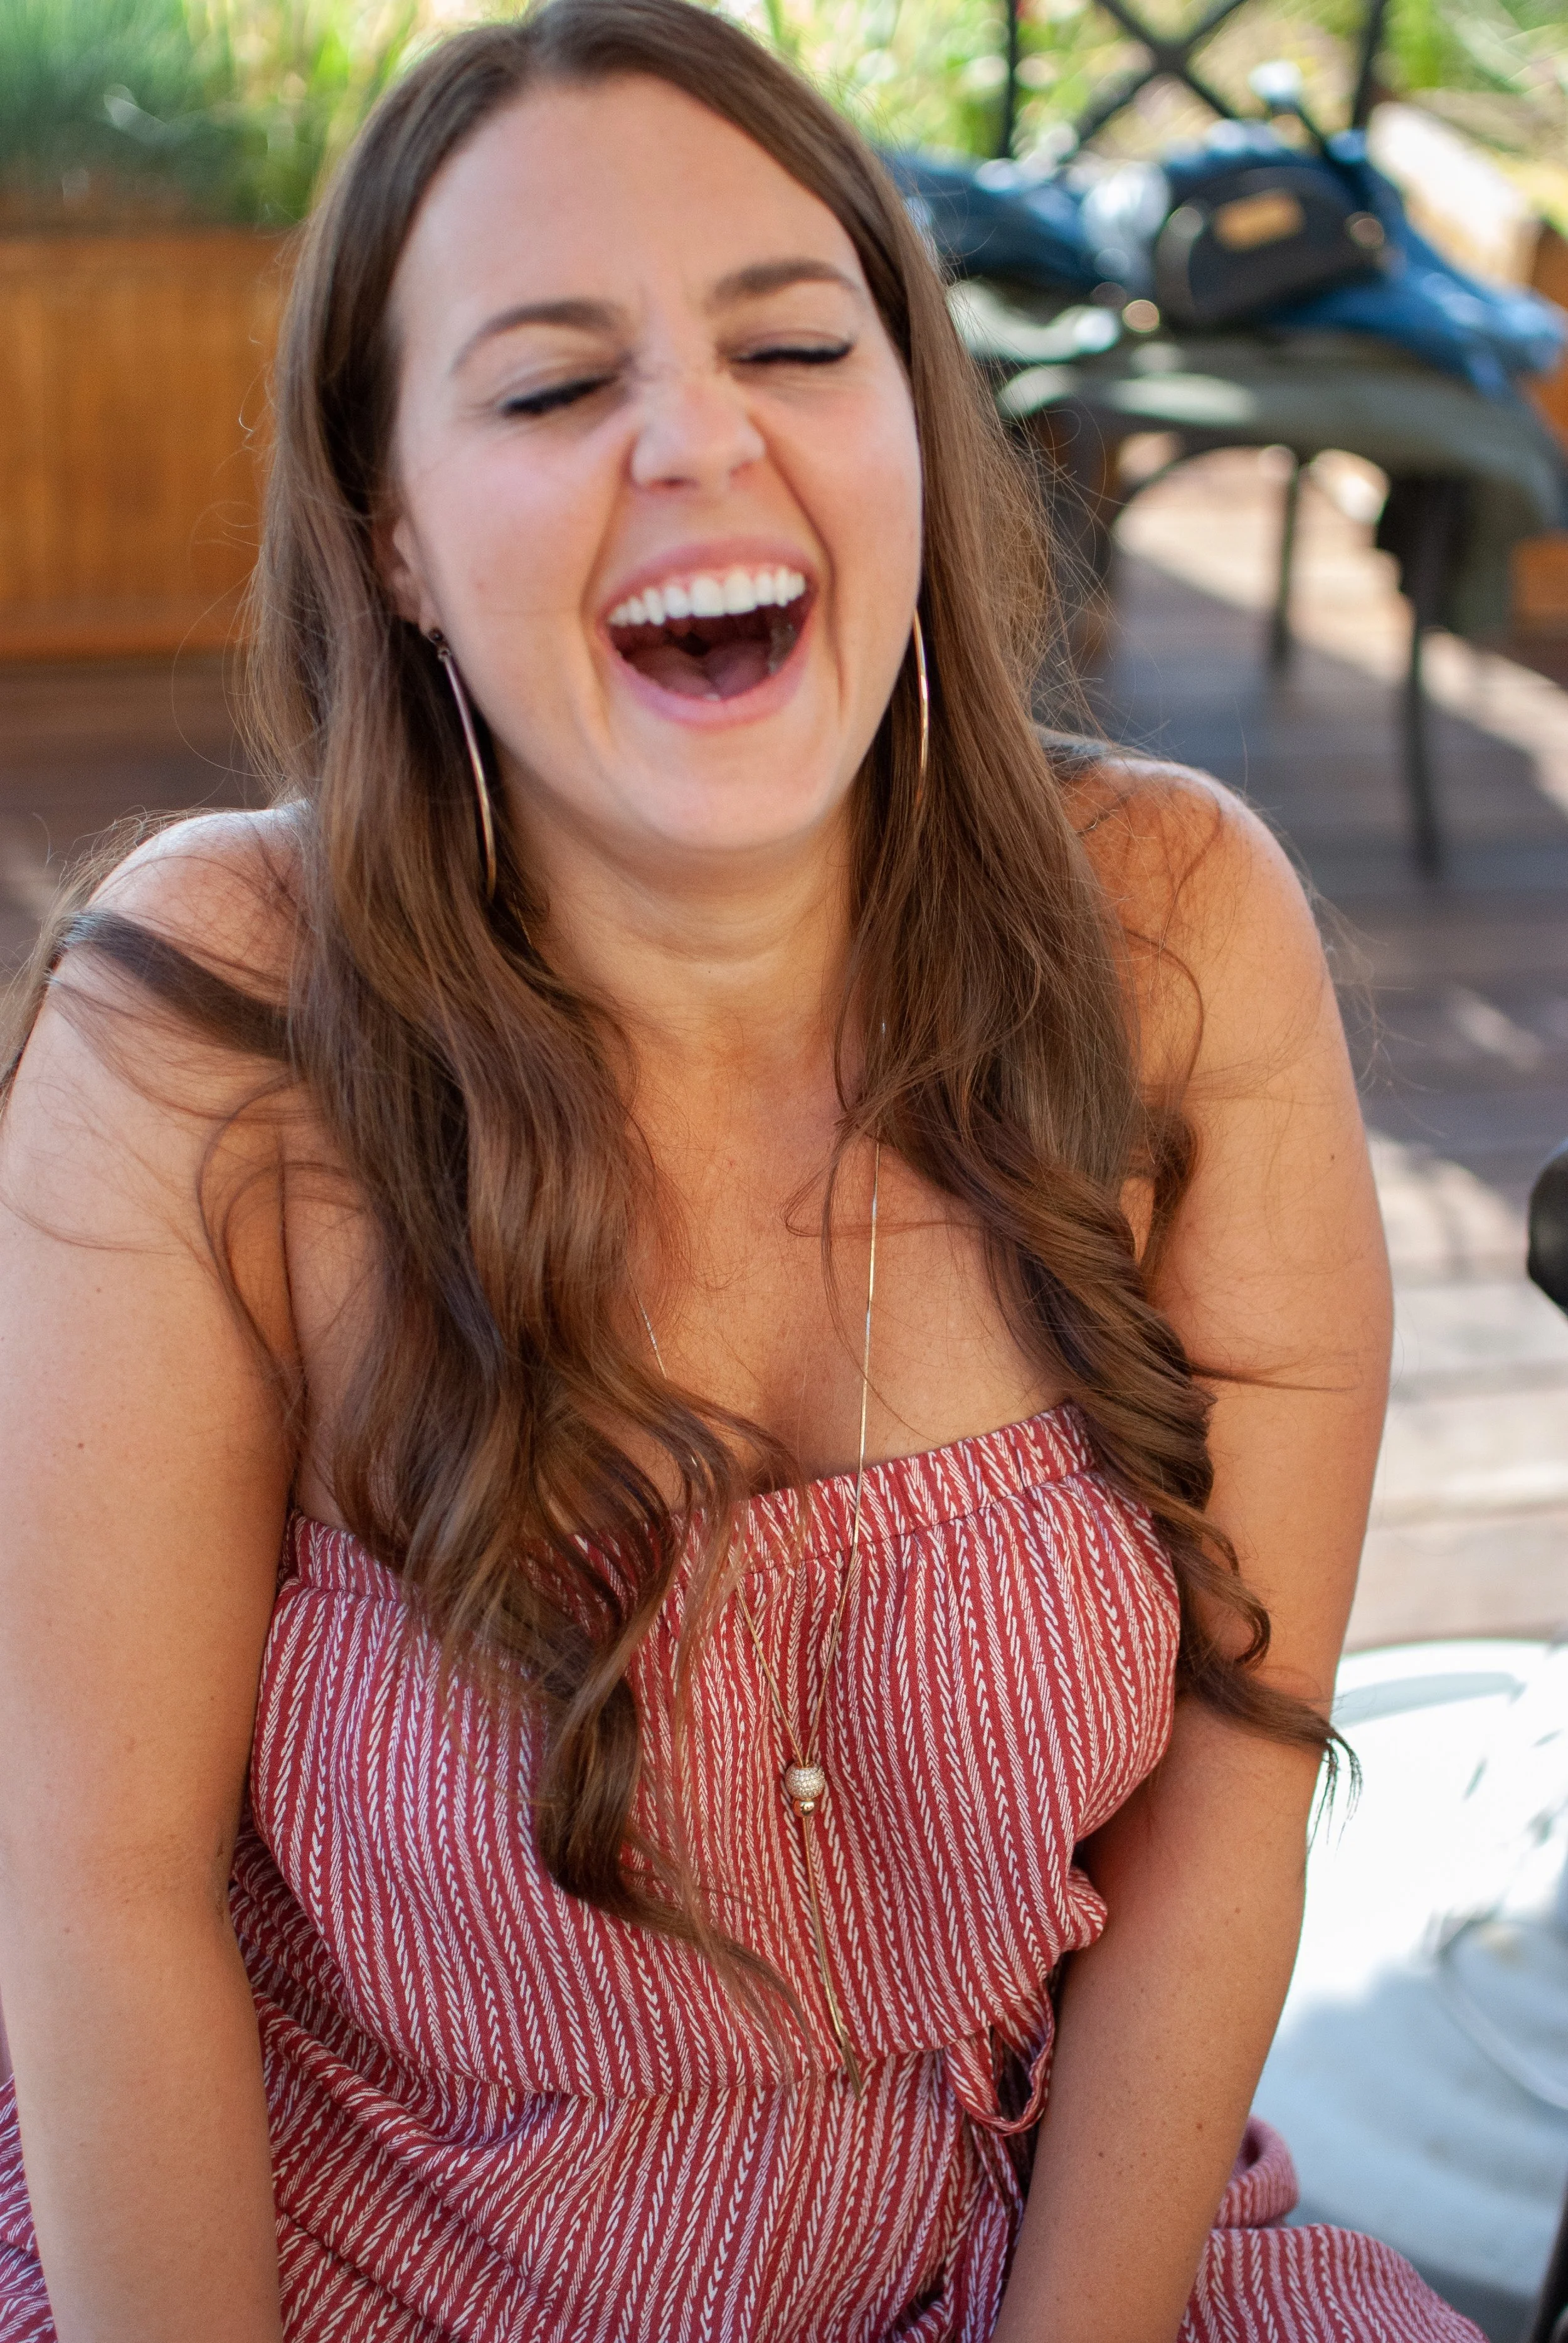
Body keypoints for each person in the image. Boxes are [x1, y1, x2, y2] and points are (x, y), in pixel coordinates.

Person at [0, 4, 1478, 2337]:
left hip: (1013, 2256)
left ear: (910, 419)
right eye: (552, 386)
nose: (700, 437)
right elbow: (101, 1892)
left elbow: (1224, 1811)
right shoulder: (211, 1016)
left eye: (796, 341)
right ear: (389, 530)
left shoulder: (1176, 937)